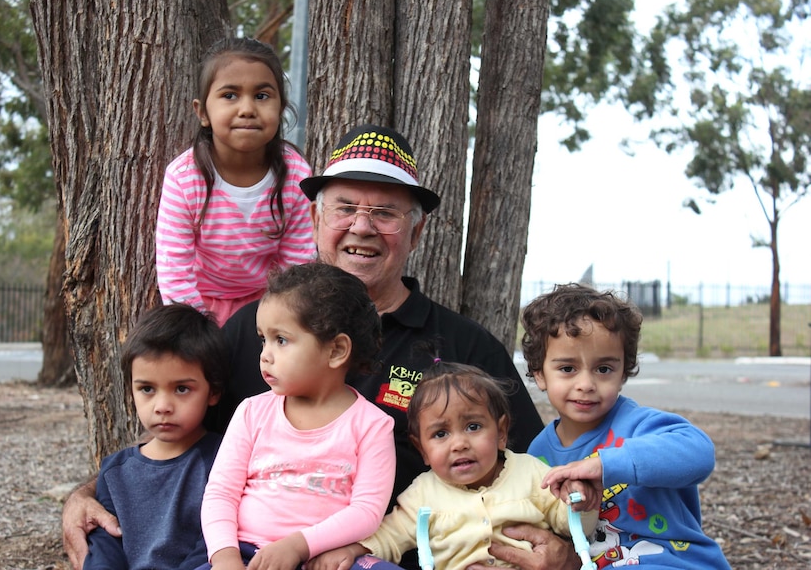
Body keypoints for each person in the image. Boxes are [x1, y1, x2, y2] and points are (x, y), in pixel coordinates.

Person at [62, 124, 581, 570]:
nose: (362, 226)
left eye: (385, 212)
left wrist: (570, 550)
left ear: (415, 233)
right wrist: (91, 493)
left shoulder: (464, 346)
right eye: (345, 208)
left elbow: (540, 469)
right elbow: (179, 433)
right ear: (314, 220)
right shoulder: (250, 332)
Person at [197, 262, 395, 570]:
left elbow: (367, 511)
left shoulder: (372, 425)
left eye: (282, 340)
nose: (265, 354)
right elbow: (221, 493)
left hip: (325, 558)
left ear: (336, 351)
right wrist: (224, 557)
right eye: (263, 338)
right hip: (248, 553)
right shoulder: (252, 412)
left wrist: (299, 545)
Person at [309, 361, 597, 570]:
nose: (458, 444)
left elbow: (569, 521)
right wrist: (353, 549)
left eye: (473, 427)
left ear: (500, 432)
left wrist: (581, 501)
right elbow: (390, 536)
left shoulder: (531, 473)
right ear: (422, 450)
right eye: (440, 434)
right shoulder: (422, 494)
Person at [522, 283, 731, 569]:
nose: (585, 385)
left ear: (623, 373)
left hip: (673, 561)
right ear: (540, 374)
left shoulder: (639, 425)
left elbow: (699, 452)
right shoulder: (539, 452)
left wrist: (605, 465)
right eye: (567, 369)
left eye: (604, 369)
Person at [155, 37, 315, 326]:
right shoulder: (184, 178)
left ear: (280, 108)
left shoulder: (296, 175)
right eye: (230, 95)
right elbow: (174, 271)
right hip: (199, 305)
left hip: (269, 303)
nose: (247, 109)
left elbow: (298, 265)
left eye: (262, 96)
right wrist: (200, 330)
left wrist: (276, 323)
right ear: (202, 112)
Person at [83, 303, 228, 570]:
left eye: (182, 389)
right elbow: (105, 542)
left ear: (213, 392)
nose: (162, 406)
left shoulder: (223, 460)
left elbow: (214, 539)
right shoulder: (114, 471)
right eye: (147, 389)